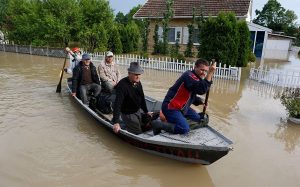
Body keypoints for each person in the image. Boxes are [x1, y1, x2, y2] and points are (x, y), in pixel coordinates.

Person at [152, 58, 216, 135]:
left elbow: (191, 95)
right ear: (195, 67)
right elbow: (202, 90)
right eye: (202, 70)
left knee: (199, 118)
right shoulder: (189, 75)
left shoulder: (197, 78)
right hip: (171, 107)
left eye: (206, 71)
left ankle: (178, 121)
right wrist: (210, 73)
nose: (204, 73)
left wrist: (201, 102)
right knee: (184, 129)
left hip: (182, 107)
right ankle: (158, 124)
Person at [111, 62, 152, 135]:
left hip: (137, 110)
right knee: (138, 132)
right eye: (136, 74)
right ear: (129, 73)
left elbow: (142, 97)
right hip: (128, 113)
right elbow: (118, 104)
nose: (138, 77)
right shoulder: (122, 85)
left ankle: (127, 125)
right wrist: (116, 122)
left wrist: (146, 111)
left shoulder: (138, 82)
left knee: (144, 123)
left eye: (139, 74)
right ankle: (119, 122)